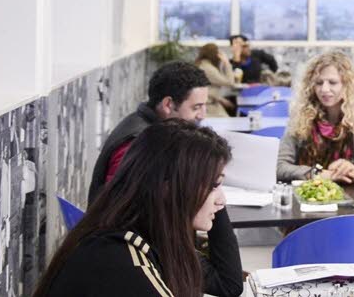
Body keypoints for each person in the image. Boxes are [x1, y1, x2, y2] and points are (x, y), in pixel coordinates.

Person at [34, 120, 242, 297]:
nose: (222, 201)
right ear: (167, 188)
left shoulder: (155, 235)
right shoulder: (120, 259)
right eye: (214, 186)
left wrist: (203, 192)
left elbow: (228, 284)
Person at [88, 61, 209, 204]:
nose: (203, 115)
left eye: (205, 106)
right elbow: (120, 207)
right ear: (168, 104)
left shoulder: (159, 130)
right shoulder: (137, 142)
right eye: (196, 107)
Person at [277, 51, 354, 183]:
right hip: (309, 189)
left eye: (332, 82)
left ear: (347, 84)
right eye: (319, 83)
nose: (324, 89)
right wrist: (319, 174)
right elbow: (280, 166)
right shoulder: (301, 113)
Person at [194, 43, 237, 117]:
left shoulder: (202, 65)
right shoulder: (208, 69)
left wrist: (220, 99)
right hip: (209, 106)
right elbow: (230, 82)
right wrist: (226, 63)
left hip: (209, 102)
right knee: (227, 121)